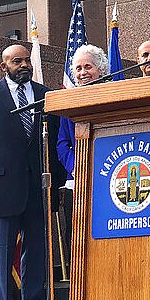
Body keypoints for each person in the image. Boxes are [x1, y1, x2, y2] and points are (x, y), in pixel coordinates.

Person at [0, 44, 62, 300]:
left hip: (37, 190)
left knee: (36, 254)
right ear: (4, 66)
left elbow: (54, 143)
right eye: (17, 61)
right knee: (2, 255)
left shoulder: (46, 96)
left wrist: (56, 186)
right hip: (1, 191)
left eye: (27, 61)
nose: (24, 66)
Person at [57, 44, 110, 258]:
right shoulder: (69, 102)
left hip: (109, 177)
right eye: (78, 69)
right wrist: (77, 167)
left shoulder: (114, 95)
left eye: (87, 67)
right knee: (77, 237)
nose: (82, 73)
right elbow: (62, 143)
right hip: (77, 181)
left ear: (101, 70)